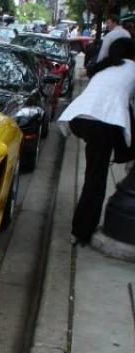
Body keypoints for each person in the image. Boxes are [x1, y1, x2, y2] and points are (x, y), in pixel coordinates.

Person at [59, 38, 135, 245]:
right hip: (102, 123)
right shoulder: (132, 68)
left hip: (80, 119)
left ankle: (124, 153)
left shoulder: (106, 68)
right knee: (96, 181)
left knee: (93, 172)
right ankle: (81, 232)